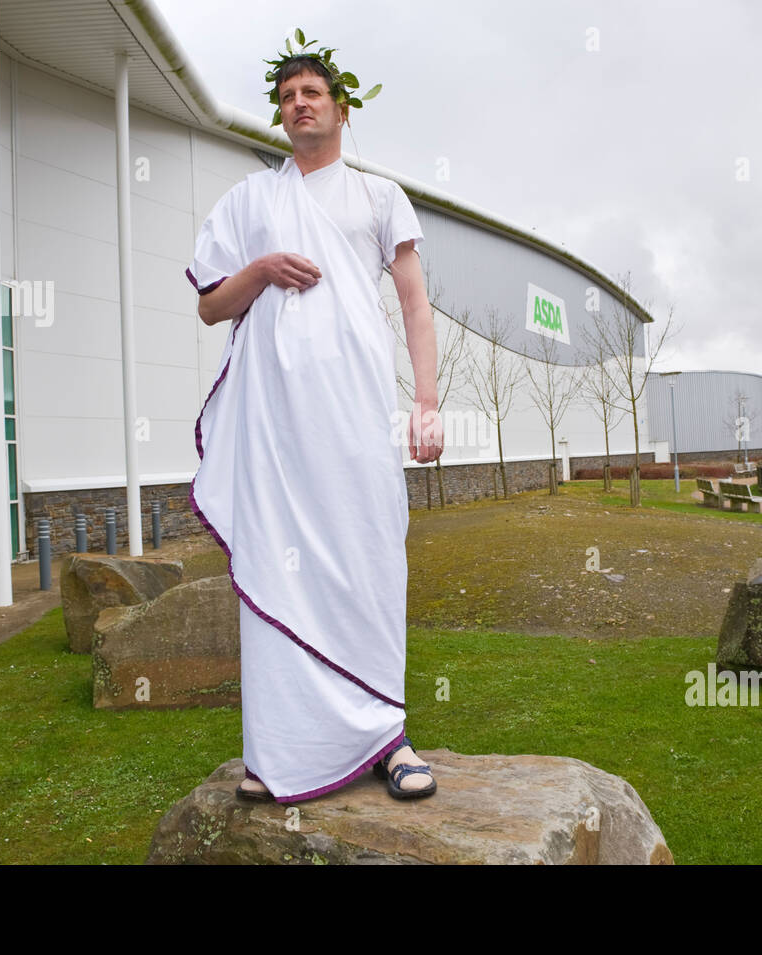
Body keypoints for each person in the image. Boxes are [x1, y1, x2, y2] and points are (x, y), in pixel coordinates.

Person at [185, 49, 444, 802]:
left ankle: (387, 736)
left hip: (355, 414)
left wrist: (425, 404)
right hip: (274, 430)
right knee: (277, 563)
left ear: (341, 108)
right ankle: (283, 753)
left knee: (370, 558)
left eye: (313, 92)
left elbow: (415, 304)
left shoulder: (378, 195)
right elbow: (209, 305)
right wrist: (261, 269)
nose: (301, 102)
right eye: (288, 94)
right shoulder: (250, 201)